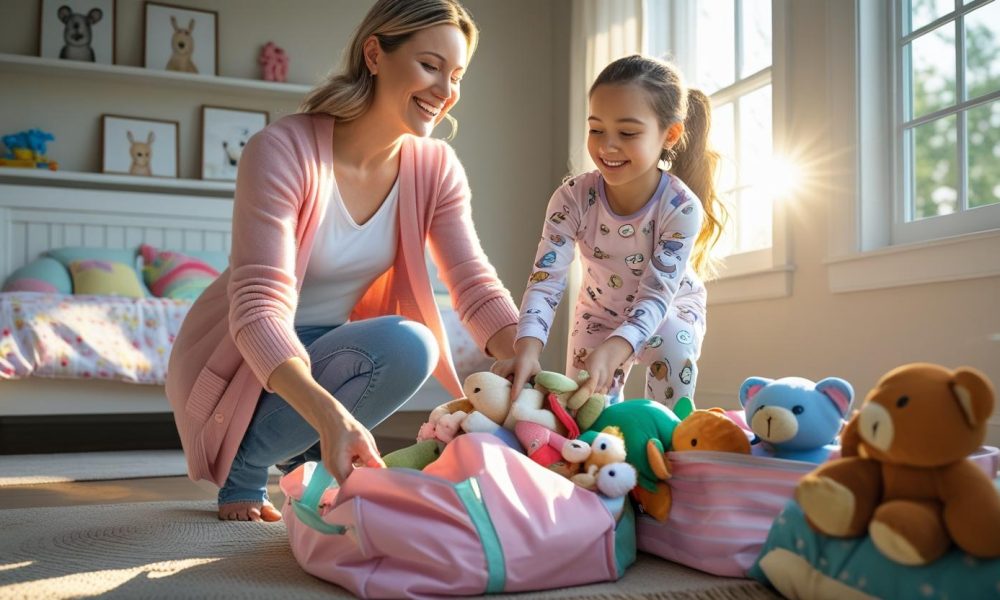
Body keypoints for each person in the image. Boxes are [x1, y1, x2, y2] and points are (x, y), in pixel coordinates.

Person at [165, 0, 519, 522]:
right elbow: (259, 309)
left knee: (410, 343)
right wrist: (331, 415)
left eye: (456, 74)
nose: (446, 92)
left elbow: (472, 280)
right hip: (246, 350)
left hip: (334, 345)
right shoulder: (282, 150)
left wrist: (525, 358)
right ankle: (246, 459)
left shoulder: (435, 167)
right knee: (396, 344)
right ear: (375, 54)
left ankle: (312, 463)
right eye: (429, 66)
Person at [493, 55, 726, 410]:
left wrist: (617, 348)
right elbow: (546, 280)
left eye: (628, 133)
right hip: (598, 312)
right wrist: (527, 349)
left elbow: (656, 295)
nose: (607, 146)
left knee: (673, 350)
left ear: (670, 134)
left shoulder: (681, 207)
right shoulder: (572, 198)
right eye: (596, 129)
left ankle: (667, 446)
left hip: (668, 310)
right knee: (583, 411)